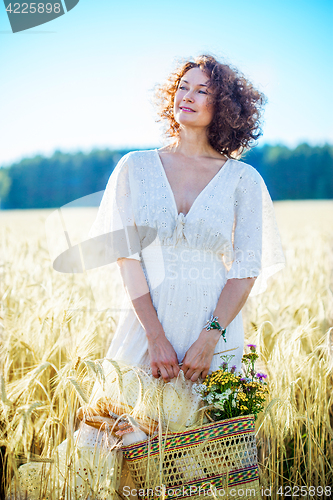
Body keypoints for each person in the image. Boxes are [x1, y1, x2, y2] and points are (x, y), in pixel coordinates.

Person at [8, 54, 285, 500]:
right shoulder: (134, 167)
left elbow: (246, 268)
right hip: (144, 325)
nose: (187, 96)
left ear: (227, 108)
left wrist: (209, 338)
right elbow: (127, 258)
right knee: (110, 447)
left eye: (202, 91)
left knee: (206, 464)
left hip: (214, 329)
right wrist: (154, 336)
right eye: (183, 86)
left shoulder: (243, 180)